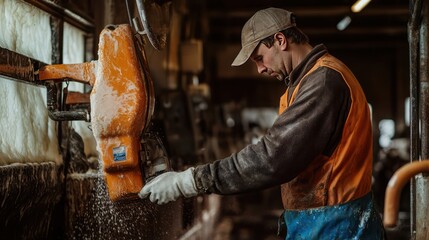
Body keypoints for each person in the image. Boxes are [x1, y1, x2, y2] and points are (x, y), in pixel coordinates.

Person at [139, 7, 385, 239]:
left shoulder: (323, 83)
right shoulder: (302, 84)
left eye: (259, 58)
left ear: (280, 40)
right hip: (322, 222)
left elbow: (273, 157)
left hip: (336, 226)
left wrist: (189, 181)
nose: (259, 69)